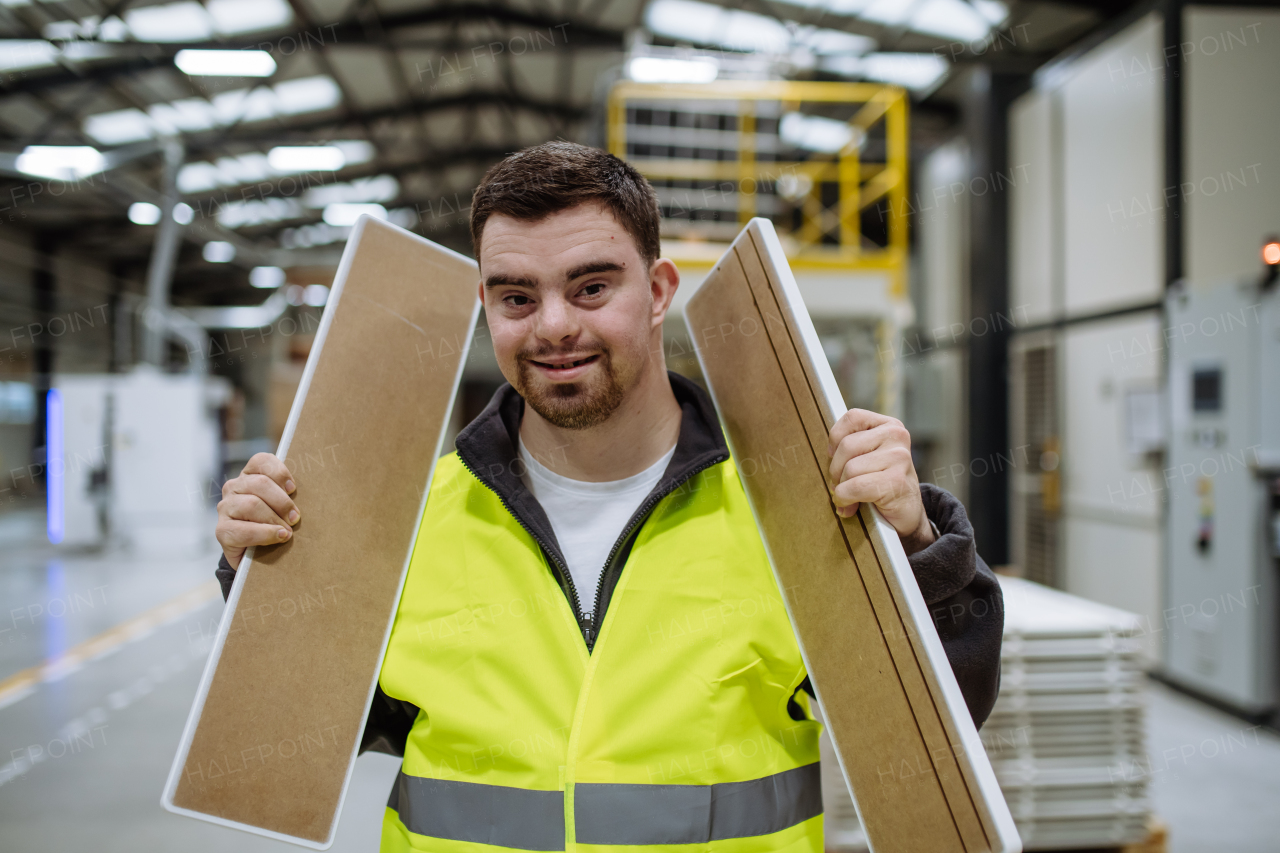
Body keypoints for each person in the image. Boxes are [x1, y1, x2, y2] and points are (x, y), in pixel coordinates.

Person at [212, 142, 1003, 852]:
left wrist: (912, 542)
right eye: (517, 297)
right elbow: (314, 734)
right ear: (486, 305)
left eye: (591, 287)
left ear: (659, 290)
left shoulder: (787, 506)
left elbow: (949, 711)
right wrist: (265, 575)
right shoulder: (408, 517)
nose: (554, 326)